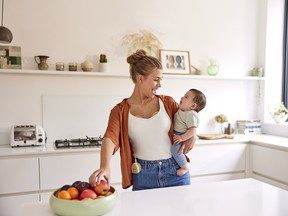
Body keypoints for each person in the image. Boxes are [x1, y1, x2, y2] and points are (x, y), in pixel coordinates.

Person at [89, 50, 196, 191]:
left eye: (161, 80)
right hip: (144, 175)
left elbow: (188, 121)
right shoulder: (120, 110)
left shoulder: (168, 103)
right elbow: (110, 138)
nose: (160, 85)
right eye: (156, 79)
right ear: (140, 78)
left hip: (176, 171)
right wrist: (105, 166)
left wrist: (193, 135)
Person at [172, 89, 206, 176]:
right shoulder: (182, 110)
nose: (182, 97)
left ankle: (184, 167)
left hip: (182, 135)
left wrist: (182, 138)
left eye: (186, 97)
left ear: (193, 105)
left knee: (176, 151)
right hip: (177, 134)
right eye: (184, 95)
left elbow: (192, 130)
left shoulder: (191, 114)